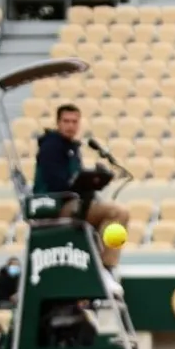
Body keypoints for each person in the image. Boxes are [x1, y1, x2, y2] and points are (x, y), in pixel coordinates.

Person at [32, 104, 130, 295]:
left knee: (109, 213)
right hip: (55, 205)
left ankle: (103, 264)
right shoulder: (52, 146)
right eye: (66, 121)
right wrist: (82, 182)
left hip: (71, 200)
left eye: (74, 121)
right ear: (58, 123)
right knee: (118, 213)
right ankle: (106, 268)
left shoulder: (71, 148)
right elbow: (58, 183)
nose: (70, 126)